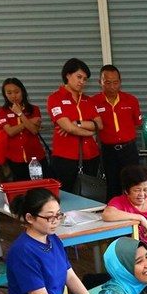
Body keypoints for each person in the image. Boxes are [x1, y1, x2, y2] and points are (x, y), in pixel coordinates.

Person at [5, 187, 93, 294]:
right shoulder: (23, 251)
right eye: (49, 217)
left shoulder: (53, 239)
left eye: (58, 215)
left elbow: (70, 276)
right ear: (30, 218)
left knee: (108, 293)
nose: (56, 221)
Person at [47, 58, 101, 193]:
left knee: (89, 196)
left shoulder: (88, 100)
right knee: (66, 196)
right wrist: (90, 131)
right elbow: (68, 128)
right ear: (67, 75)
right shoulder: (55, 98)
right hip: (65, 157)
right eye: (79, 77)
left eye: (85, 79)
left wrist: (77, 123)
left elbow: (99, 125)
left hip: (91, 155)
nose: (82, 82)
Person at [90, 64, 141, 201]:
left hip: (129, 149)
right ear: (99, 82)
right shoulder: (93, 102)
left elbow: (137, 124)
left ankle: (135, 217)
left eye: (115, 82)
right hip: (108, 151)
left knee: (133, 185)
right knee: (112, 187)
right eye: (107, 82)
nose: (112, 87)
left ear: (120, 82)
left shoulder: (131, 100)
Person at [0, 77, 46, 182]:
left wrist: (20, 114)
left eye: (16, 92)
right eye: (9, 93)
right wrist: (29, 121)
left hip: (35, 156)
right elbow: (10, 131)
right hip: (14, 158)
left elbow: (34, 131)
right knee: (21, 188)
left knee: (39, 185)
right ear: (5, 94)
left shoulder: (34, 109)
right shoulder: (2, 111)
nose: (13, 96)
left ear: (23, 91)